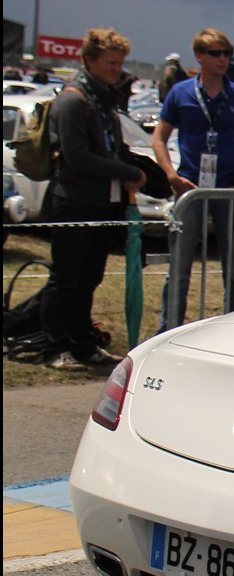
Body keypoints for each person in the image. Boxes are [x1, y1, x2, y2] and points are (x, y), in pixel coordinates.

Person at [38, 29, 147, 370]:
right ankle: (55, 347)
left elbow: (110, 147)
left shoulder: (103, 99)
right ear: (89, 61)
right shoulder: (73, 100)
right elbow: (77, 156)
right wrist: (122, 169)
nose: (117, 69)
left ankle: (82, 342)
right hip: (74, 201)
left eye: (120, 63)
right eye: (111, 62)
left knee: (89, 278)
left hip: (101, 201)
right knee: (67, 278)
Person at [153, 28, 234, 332]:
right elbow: (159, 138)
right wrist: (171, 175)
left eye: (227, 53)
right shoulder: (180, 92)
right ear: (199, 57)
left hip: (228, 189)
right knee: (179, 268)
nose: (223, 59)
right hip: (190, 188)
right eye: (216, 54)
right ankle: (169, 330)